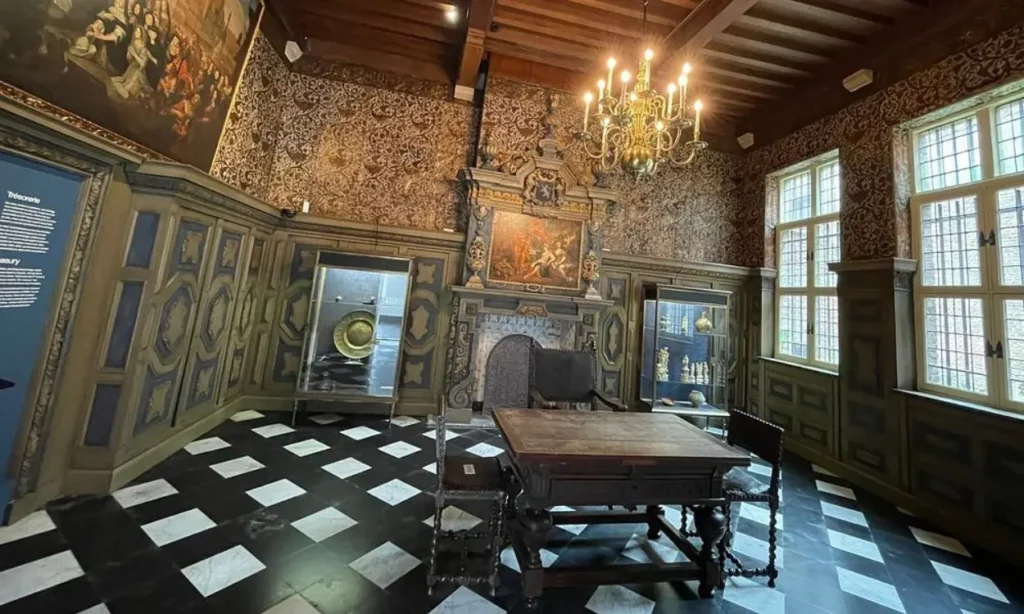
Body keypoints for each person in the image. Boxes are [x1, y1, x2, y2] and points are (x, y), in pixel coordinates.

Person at [110, 25, 157, 100]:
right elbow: (129, 60)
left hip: (139, 72)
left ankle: (128, 89)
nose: (136, 33)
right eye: (136, 31)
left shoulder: (143, 48)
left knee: (136, 76)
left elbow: (143, 64)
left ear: (142, 34)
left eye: (138, 32)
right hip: (132, 67)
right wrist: (129, 54)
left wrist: (134, 54)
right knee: (122, 79)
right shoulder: (133, 42)